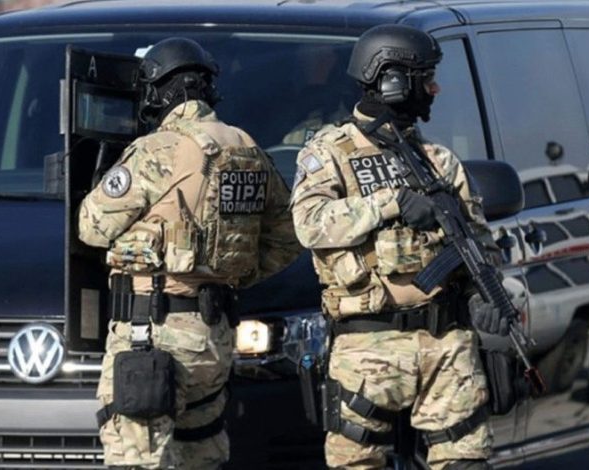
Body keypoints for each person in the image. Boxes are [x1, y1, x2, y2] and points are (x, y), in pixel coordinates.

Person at [290, 25, 510, 470]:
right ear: (392, 80)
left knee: (467, 459)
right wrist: (389, 203)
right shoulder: (330, 153)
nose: (435, 89)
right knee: (356, 462)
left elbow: (479, 243)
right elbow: (309, 223)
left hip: (445, 344)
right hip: (368, 345)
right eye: (425, 78)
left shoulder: (438, 161)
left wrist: (481, 295)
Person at [78, 37, 301, 470]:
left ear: (159, 92)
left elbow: (91, 226)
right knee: (199, 453)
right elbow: (288, 235)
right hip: (213, 337)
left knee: (135, 457)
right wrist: (230, 271)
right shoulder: (246, 147)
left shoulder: (157, 149)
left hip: (152, 334)